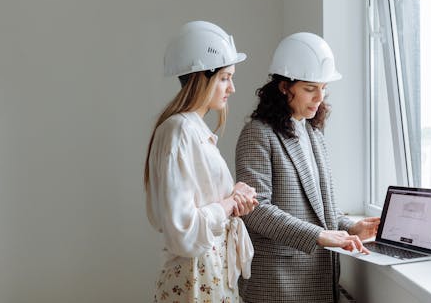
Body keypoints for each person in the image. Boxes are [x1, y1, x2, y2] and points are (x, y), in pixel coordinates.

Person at [235, 32, 380, 303]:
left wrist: (351, 227)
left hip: (317, 279)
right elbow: (256, 210)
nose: (319, 98)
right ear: (283, 87)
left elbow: (321, 209)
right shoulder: (257, 133)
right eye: (310, 89)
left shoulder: (312, 132)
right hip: (277, 284)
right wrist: (320, 235)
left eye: (323, 88)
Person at [144, 21, 259, 303]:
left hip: (211, 272)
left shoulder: (190, 129)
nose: (232, 87)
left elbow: (200, 204)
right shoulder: (180, 131)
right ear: (201, 78)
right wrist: (230, 204)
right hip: (195, 277)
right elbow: (183, 230)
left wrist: (232, 197)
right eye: (224, 77)